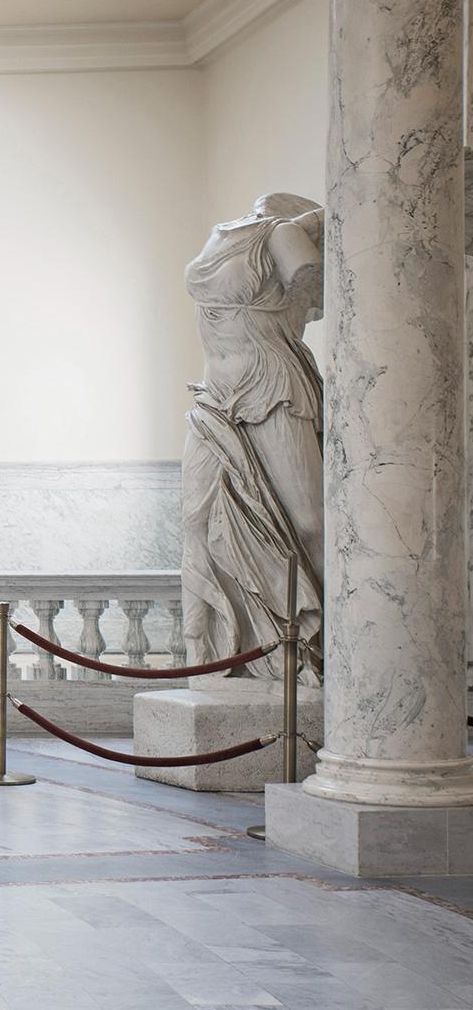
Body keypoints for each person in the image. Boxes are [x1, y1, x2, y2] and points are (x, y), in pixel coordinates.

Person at [180, 192, 325, 682]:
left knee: (308, 519)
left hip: (270, 387)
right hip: (214, 395)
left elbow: (317, 280)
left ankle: (335, 641)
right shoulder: (227, 232)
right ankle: (220, 655)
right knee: (197, 522)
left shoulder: (285, 236)